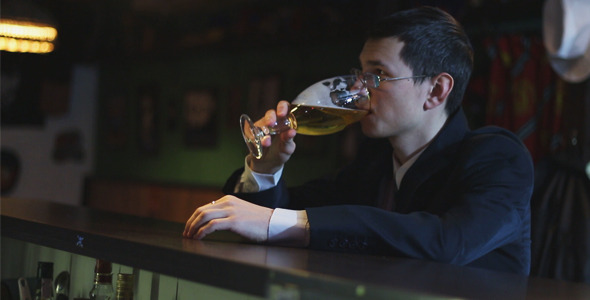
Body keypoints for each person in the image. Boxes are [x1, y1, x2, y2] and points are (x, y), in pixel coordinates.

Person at [183, 6, 534, 275]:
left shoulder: (498, 157)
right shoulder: (375, 164)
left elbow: (447, 242)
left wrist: (282, 223)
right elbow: (275, 214)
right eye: (360, 74)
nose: (356, 90)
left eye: (377, 75)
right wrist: (266, 167)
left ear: (436, 90)